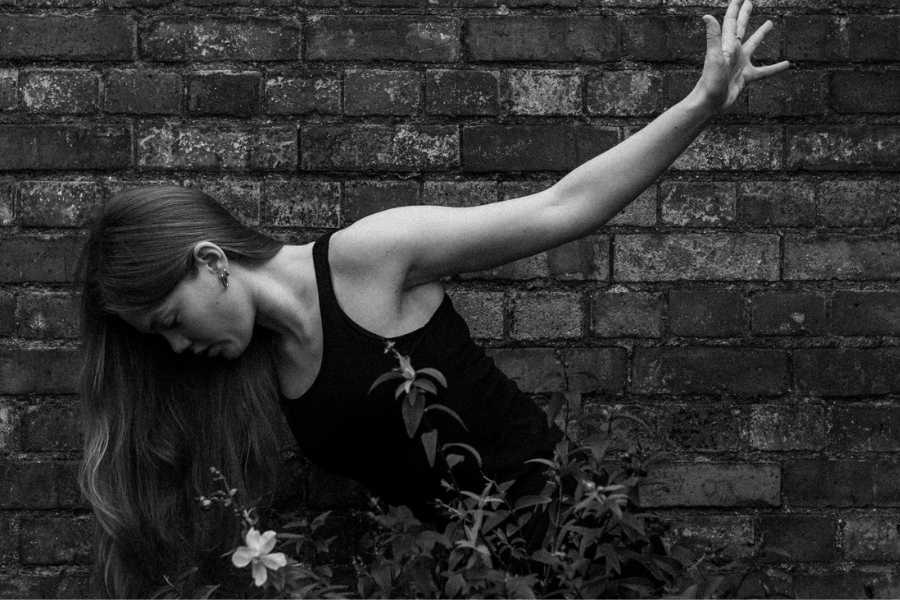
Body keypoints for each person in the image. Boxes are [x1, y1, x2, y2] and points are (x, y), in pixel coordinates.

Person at [75, 0, 789, 595]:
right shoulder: (257, 370)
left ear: (210, 262)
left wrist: (702, 103)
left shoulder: (366, 258)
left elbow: (563, 207)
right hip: (473, 578)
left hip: (581, 545)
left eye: (170, 320)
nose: (177, 346)